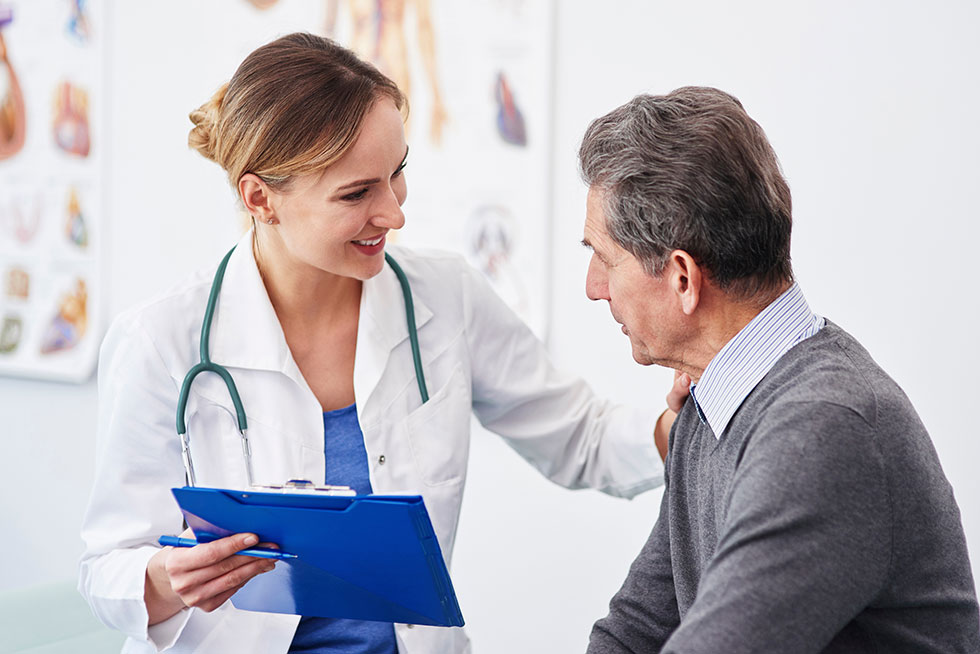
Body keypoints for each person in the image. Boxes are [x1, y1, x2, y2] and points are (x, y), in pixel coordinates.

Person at [78, 33, 674, 654]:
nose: (393, 213)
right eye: (356, 193)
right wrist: (167, 579)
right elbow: (106, 568)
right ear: (261, 198)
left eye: (398, 173)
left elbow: (579, 434)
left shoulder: (446, 295)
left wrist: (681, 424)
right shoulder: (161, 341)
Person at [578, 87, 980, 653]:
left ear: (683, 278)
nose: (594, 288)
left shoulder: (825, 427)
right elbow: (638, 628)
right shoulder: (713, 402)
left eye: (603, 257)